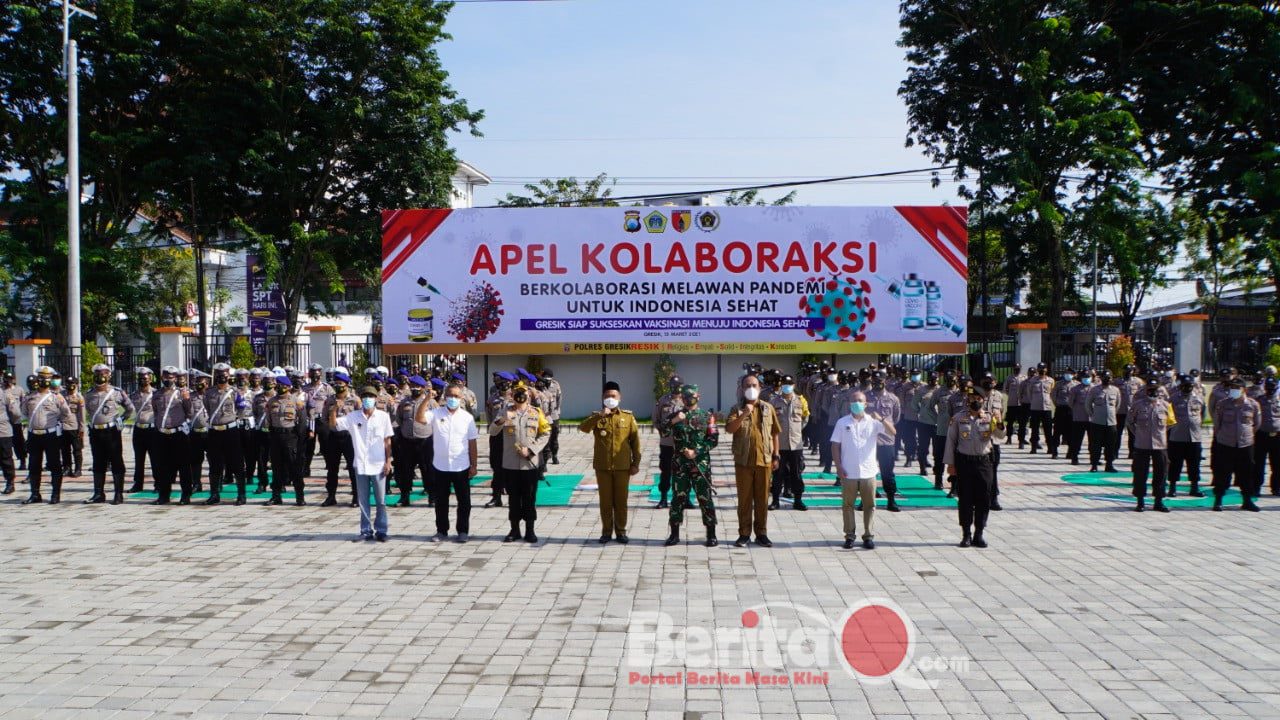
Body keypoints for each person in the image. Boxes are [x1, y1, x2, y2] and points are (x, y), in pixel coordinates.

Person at [831, 390, 895, 549]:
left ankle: (868, 536)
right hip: (848, 471)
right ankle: (849, 535)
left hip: (869, 471)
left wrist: (881, 418)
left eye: (859, 400)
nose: (856, 403)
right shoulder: (842, 422)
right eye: (853, 401)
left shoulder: (873, 422)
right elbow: (835, 445)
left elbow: (892, 432)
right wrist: (838, 466)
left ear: (865, 404)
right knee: (848, 505)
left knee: (870, 505)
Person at [579, 381, 642, 544]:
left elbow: (635, 442)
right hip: (603, 466)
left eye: (613, 396)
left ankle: (621, 531)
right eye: (607, 396)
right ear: (602, 398)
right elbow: (583, 428)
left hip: (622, 467)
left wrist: (636, 463)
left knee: (621, 501)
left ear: (619, 398)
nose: (610, 399)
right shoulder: (597, 416)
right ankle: (606, 531)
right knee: (605, 501)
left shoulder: (627, 417)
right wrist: (599, 416)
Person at [490, 381, 550, 543]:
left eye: (523, 392)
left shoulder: (536, 413)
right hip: (510, 463)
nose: (520, 395)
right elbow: (492, 431)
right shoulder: (505, 411)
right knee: (513, 498)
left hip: (529, 463)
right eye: (517, 392)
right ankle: (514, 530)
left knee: (529, 498)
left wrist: (531, 450)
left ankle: (530, 530)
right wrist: (502, 419)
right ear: (512, 395)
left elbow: (545, 434)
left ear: (528, 395)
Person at [332, 385, 394, 541]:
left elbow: (387, 440)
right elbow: (334, 425)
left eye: (370, 397)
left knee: (380, 501)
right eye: (365, 396)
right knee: (363, 500)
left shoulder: (383, 417)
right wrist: (333, 410)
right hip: (360, 463)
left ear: (376, 399)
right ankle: (365, 530)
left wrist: (388, 461)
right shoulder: (354, 416)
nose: (367, 399)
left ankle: (381, 530)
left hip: (378, 463)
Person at [945, 388, 1004, 547]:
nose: (975, 401)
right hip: (964, 462)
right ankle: (966, 534)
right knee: (965, 499)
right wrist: (950, 464)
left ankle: (979, 534)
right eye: (972, 398)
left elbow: (1000, 436)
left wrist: (999, 422)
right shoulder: (958, 418)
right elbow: (951, 441)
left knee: (983, 499)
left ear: (983, 400)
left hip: (984, 463)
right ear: (967, 400)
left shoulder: (989, 417)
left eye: (978, 398)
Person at [726, 374, 780, 548]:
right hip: (744, 462)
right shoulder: (736, 408)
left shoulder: (768, 408)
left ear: (760, 387)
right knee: (745, 500)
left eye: (754, 385)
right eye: (747, 385)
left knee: (763, 499)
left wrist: (776, 455)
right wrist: (744, 415)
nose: (751, 388)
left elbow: (775, 433)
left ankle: (761, 533)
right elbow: (730, 429)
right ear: (742, 389)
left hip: (764, 461)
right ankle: (744, 533)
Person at [423, 383, 479, 542]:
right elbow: (420, 419)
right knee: (441, 501)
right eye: (450, 395)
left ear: (461, 398)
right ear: (445, 396)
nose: (452, 399)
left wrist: (474, 465)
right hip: (440, 465)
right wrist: (426, 399)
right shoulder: (436, 413)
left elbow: (472, 443)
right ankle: (441, 531)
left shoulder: (467, 418)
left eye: (456, 396)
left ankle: (463, 531)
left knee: (464, 501)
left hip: (461, 465)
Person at [665, 384, 719, 547]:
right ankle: (674, 534)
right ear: (682, 398)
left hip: (700, 465)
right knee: (677, 499)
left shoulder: (707, 416)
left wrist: (696, 451)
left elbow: (713, 439)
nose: (689, 399)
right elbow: (663, 431)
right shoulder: (675, 415)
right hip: (680, 465)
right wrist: (675, 420)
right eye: (686, 396)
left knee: (705, 498)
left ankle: (711, 534)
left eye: (692, 395)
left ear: (698, 396)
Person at [83, 363, 135, 505]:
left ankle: (118, 494)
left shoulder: (116, 392)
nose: (101, 376)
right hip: (95, 431)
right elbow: (88, 411)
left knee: (116, 461)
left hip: (111, 431)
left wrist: (122, 419)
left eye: (104, 373)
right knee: (98, 462)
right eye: (98, 373)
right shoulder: (89, 394)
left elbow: (130, 408)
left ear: (109, 375)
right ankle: (98, 493)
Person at [21, 366, 73, 504]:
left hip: (50, 435)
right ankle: (35, 494)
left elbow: (66, 414)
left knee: (55, 464)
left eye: (47, 378)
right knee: (33, 465)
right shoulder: (30, 397)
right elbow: (25, 412)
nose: (44, 380)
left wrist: (56, 424)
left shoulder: (57, 397)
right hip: (34, 435)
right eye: (42, 378)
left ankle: (55, 495)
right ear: (37, 379)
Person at [1210, 378, 1261, 512]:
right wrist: (1223, 436)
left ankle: (1247, 500)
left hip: (1245, 444)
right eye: (1232, 387)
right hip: (1226, 443)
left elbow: (1256, 424)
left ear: (1244, 389)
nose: (1234, 390)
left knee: (1247, 473)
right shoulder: (1223, 404)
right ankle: (1218, 500)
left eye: (1237, 388)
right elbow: (1217, 423)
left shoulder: (1253, 405)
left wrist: (1246, 435)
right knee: (1222, 472)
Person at [204, 363, 248, 505]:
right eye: (218, 374)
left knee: (236, 464)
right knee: (214, 464)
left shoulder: (235, 393)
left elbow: (241, 411)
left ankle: (241, 495)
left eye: (224, 374)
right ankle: (214, 494)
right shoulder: (209, 392)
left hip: (230, 431)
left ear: (229, 375)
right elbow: (207, 407)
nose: (221, 376)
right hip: (214, 432)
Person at [1127, 378, 1175, 512]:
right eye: (1150, 389)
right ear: (1146, 390)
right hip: (1142, 445)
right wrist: (1139, 434)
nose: (1153, 392)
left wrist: (1160, 433)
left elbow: (1170, 423)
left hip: (1160, 445)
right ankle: (1140, 501)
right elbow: (1130, 422)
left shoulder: (1166, 405)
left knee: (1161, 474)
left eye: (1155, 389)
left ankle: (1158, 501)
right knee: (1140, 473)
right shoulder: (1138, 405)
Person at [151, 366, 195, 505]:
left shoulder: (182, 394)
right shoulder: (157, 394)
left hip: (178, 434)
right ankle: (164, 495)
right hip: (162, 434)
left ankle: (185, 495)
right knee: (162, 466)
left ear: (175, 378)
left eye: (170, 377)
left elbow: (190, 413)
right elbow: (156, 412)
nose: (168, 380)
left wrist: (187, 399)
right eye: (165, 377)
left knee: (183, 467)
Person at [266, 373, 308, 506]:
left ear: (288, 387)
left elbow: (302, 422)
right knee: (276, 467)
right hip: (276, 436)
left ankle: (299, 496)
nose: (279, 387)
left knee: (294, 467)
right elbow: (268, 420)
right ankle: (276, 495)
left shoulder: (296, 401)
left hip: (291, 437)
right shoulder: (272, 401)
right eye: (278, 385)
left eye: (282, 385)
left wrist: (300, 440)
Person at [768, 375, 809, 510]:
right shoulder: (774, 401)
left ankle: (798, 500)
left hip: (796, 443)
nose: (787, 386)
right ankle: (775, 500)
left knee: (796, 473)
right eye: (785, 383)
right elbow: (769, 421)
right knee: (778, 474)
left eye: (790, 383)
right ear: (781, 385)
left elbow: (805, 417)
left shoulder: (801, 400)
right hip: (779, 443)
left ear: (794, 385)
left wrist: (796, 430)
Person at [864, 370, 902, 512]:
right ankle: (866, 500)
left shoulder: (893, 399)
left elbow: (896, 419)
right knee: (867, 472)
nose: (877, 384)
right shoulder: (865, 397)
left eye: (880, 381)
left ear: (885, 381)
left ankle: (891, 500)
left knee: (887, 472)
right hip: (868, 441)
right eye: (874, 381)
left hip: (886, 441)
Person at [321, 371, 360, 507]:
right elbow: (324, 418)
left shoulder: (355, 400)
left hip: (349, 437)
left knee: (352, 467)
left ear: (347, 385)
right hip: (334, 436)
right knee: (332, 468)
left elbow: (361, 418)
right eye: (336, 384)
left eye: (341, 384)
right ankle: (331, 496)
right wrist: (334, 411)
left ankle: (356, 496)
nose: (338, 386)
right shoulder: (330, 400)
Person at [1168, 374, 1205, 497]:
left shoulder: (1199, 398)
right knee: (1175, 464)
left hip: (1194, 437)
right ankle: (1172, 487)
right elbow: (1168, 417)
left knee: (1194, 464)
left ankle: (1194, 487)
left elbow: (1202, 414)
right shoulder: (1173, 399)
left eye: (1189, 386)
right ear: (1180, 386)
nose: (1187, 388)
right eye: (1185, 386)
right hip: (1177, 436)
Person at [652, 374, 684, 509]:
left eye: (676, 386)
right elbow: (656, 418)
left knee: (683, 472)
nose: (674, 388)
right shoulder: (663, 400)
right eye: (672, 386)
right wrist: (662, 432)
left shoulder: (686, 400)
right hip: (667, 443)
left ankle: (684, 499)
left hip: (683, 443)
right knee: (666, 471)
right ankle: (663, 498)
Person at [484, 371, 515, 508]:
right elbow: (490, 418)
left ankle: (514, 497)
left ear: (510, 382)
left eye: (504, 381)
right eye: (499, 381)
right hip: (497, 437)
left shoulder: (517, 397)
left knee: (512, 468)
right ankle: (496, 497)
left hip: (512, 437)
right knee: (497, 467)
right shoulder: (492, 399)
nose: (502, 384)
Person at [1086, 370, 1121, 473]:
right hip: (1097, 422)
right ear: (1101, 378)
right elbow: (1088, 405)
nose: (1107, 379)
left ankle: (1109, 464)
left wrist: (1111, 414)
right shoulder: (1094, 390)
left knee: (1110, 445)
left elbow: (1117, 405)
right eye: (1105, 378)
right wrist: (1093, 415)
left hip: (1111, 422)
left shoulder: (1115, 390)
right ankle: (1094, 465)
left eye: (1109, 378)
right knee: (1095, 444)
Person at [128, 368, 157, 493]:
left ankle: (158, 484)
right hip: (139, 430)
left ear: (150, 379)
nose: (142, 380)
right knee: (139, 459)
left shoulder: (156, 394)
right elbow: (129, 409)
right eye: (140, 378)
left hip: (152, 430)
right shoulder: (133, 395)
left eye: (145, 378)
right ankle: (138, 484)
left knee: (155, 459)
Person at [1254, 375, 1280, 497]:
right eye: (1268, 387)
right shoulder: (1258, 400)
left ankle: (1276, 487)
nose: (1270, 390)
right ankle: (1256, 487)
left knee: (1277, 464)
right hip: (1261, 435)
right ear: (1265, 388)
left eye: (1272, 387)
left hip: (1277, 436)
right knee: (1259, 463)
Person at [0, 375, 24, 495]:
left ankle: (10, 482)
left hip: (3, 430)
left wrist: (11, 423)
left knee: (6, 457)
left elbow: (15, 412)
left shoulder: (5, 395)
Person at [1024, 363, 1054, 453]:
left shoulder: (1051, 380)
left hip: (1047, 408)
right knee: (1035, 429)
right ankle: (1033, 448)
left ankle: (1050, 447)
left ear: (1046, 370)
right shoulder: (1032, 380)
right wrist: (1034, 401)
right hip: (1035, 408)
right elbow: (1029, 393)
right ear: (1037, 369)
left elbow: (1052, 393)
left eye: (1044, 368)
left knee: (1048, 429)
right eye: (1040, 368)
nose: (1042, 370)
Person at [60, 376, 85, 478]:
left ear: (76, 385)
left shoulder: (79, 397)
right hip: (62, 426)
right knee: (65, 449)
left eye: (72, 384)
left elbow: (81, 414)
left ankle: (78, 469)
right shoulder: (61, 396)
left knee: (77, 449)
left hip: (74, 426)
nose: (69, 386)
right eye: (68, 383)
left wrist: (82, 428)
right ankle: (67, 468)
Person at [541, 369, 563, 464]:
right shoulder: (539, 385)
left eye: (549, 378)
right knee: (544, 436)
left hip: (554, 416)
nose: (547, 380)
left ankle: (554, 455)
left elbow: (559, 399)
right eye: (545, 378)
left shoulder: (556, 385)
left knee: (554, 436)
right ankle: (545, 457)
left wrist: (557, 412)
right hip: (543, 417)